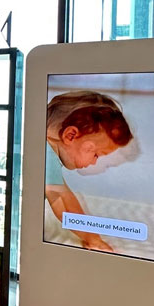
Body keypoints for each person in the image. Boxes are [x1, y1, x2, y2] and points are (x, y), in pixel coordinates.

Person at [45, 91, 133, 252]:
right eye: (96, 154)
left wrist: (92, 233)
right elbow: (65, 209)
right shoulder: (44, 156)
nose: (94, 162)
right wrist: (93, 240)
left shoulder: (47, 155)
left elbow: (66, 195)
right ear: (71, 135)